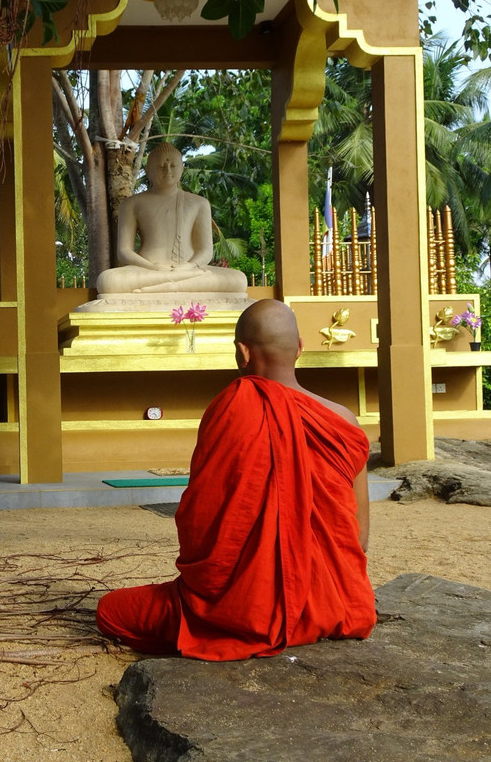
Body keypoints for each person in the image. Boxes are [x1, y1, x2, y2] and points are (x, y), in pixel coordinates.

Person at [95, 299, 376, 660]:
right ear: (301, 348)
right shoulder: (345, 422)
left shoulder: (234, 405)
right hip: (335, 605)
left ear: (242, 353)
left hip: (244, 612)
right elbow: (360, 538)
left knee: (111, 611)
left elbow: (201, 523)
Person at [95, 143, 246, 295]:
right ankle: (179, 285)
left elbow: (205, 251)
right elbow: (124, 251)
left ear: (182, 168)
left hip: (189, 269)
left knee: (239, 280)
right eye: (161, 166)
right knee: (108, 282)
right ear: (148, 171)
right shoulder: (132, 204)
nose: (167, 171)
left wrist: (189, 267)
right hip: (148, 270)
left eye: (173, 166)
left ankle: (168, 286)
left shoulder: (199, 203)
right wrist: (155, 268)